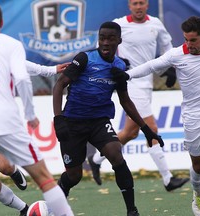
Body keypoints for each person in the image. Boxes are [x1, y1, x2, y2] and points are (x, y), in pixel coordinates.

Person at [111, 16, 200, 216]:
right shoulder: (177, 55)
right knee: (198, 164)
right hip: (193, 115)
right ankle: (198, 195)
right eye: (186, 39)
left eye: (193, 40)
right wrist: (128, 75)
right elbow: (152, 65)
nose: (189, 44)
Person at [0, 2, 73, 216]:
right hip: (3, 119)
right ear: (2, 22)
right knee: (44, 177)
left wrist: (49, 70)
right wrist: (30, 114)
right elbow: (22, 77)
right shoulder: (10, 44)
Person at [53, 21, 164, 216]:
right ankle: (56, 202)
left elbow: (125, 101)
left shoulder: (119, 66)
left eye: (110, 39)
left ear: (119, 41)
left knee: (115, 153)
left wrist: (146, 129)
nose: (105, 42)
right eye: (102, 38)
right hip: (72, 122)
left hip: (99, 121)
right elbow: (59, 85)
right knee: (74, 176)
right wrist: (58, 119)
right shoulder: (85, 59)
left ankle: (132, 210)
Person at [88, 0, 189, 191]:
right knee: (150, 127)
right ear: (129, 6)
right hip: (130, 81)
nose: (138, 7)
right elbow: (101, 47)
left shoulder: (155, 24)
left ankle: (96, 158)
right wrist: (116, 60)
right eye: (135, 3)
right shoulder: (120, 25)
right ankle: (168, 179)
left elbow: (167, 47)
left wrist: (170, 70)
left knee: (131, 132)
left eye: (142, 3)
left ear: (147, 5)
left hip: (147, 82)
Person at [0, 61, 70, 190]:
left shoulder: (1, 49)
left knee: (5, 167)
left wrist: (51, 69)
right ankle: (35, 205)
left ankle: (15, 173)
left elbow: (21, 70)